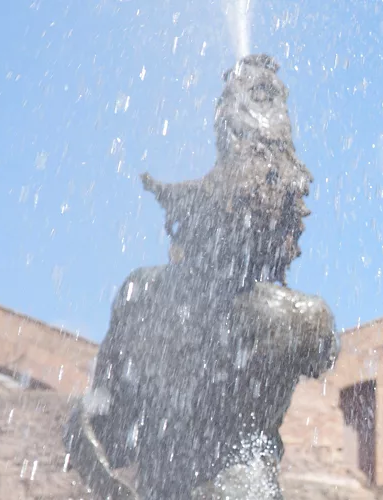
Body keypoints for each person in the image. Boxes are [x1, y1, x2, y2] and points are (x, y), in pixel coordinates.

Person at [63, 54, 338, 500]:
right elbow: (322, 355)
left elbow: (111, 430)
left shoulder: (142, 294)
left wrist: (82, 426)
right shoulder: (307, 320)